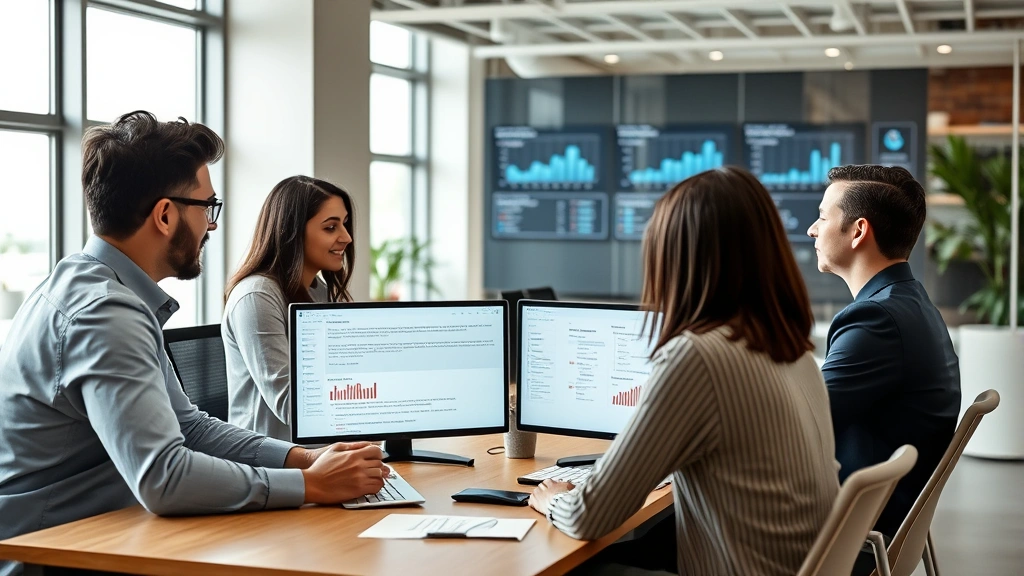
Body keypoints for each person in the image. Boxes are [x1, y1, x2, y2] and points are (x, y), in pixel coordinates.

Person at [0, 111, 386, 576]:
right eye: (208, 207)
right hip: (56, 554)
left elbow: (192, 428)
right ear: (166, 215)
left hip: (108, 532)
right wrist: (309, 485)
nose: (213, 226)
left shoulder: (101, 289)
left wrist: (303, 457)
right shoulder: (104, 313)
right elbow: (165, 477)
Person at [528, 167, 840, 576]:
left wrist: (551, 497)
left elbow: (590, 516)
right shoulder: (794, 350)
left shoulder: (697, 356)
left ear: (674, 258)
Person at [807, 165, 960, 542]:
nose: (812, 228)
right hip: (887, 521)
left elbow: (802, 422)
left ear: (858, 231)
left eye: (823, 216)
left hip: (846, 533)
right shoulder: (911, 302)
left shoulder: (876, 319)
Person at [223, 176, 354, 440]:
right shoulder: (257, 296)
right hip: (270, 467)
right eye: (331, 228)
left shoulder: (318, 291)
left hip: (320, 452)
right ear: (292, 232)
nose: (347, 238)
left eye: (345, 225)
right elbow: (292, 406)